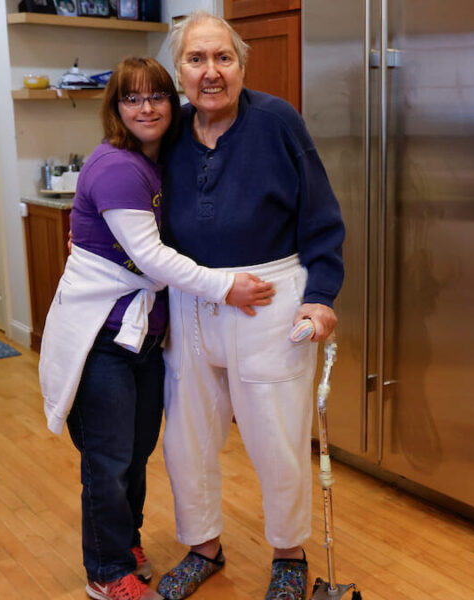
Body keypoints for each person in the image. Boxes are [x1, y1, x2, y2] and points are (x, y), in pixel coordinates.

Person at [38, 56, 274, 600]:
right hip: (104, 337)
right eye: (131, 98)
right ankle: (106, 571)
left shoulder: (160, 160)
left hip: (142, 335)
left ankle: (125, 544)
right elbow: (151, 259)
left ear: (174, 103)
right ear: (115, 107)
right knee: (109, 457)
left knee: (138, 448)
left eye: (157, 97)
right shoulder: (118, 167)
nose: (146, 108)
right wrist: (226, 287)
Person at [155, 11, 345, 600]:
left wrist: (321, 296)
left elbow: (320, 214)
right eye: (195, 59)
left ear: (241, 65)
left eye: (223, 58)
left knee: (276, 436)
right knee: (186, 436)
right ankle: (203, 545)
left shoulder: (277, 122)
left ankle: (289, 554)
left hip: (267, 300)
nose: (210, 72)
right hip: (190, 299)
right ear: (178, 70)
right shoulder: (167, 131)